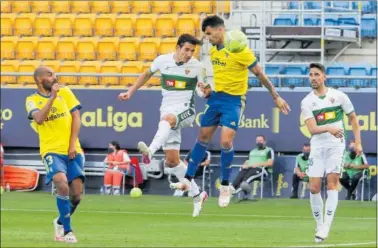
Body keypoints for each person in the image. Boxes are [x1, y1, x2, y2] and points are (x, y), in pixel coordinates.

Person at [170, 15, 290, 208]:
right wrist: (207, 90)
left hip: (234, 100)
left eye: (209, 34)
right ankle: (188, 180)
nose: (207, 38)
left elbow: (259, 73)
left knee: (226, 140)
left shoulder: (240, 50)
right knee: (202, 138)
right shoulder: (214, 53)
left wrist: (275, 96)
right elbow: (219, 78)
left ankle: (225, 186)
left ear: (220, 30)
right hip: (217, 97)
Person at [118, 34, 210, 217]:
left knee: (167, 120)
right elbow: (146, 75)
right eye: (186, 50)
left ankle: (150, 151)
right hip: (166, 110)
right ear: (178, 47)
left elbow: (202, 92)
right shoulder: (162, 61)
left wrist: (204, 90)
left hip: (186, 111)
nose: (189, 54)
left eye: (193, 51)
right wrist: (130, 91)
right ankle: (198, 193)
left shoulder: (198, 66)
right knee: (172, 161)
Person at [301, 63, 362, 243]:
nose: (313, 78)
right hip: (318, 147)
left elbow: (352, 117)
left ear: (324, 77)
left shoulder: (339, 96)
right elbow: (312, 129)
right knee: (313, 188)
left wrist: (358, 141)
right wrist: (328, 128)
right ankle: (319, 224)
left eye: (317, 74)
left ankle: (326, 225)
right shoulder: (306, 101)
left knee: (332, 184)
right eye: (311, 75)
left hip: (336, 146)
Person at [25, 66, 85, 243]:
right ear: (39, 79)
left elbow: (76, 117)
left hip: (72, 148)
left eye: (54, 74)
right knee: (61, 183)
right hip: (51, 150)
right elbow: (39, 119)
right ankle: (67, 231)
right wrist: (52, 98)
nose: (54, 77)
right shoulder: (31, 100)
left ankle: (59, 221)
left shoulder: (65, 92)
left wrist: (73, 144)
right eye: (50, 75)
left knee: (76, 196)